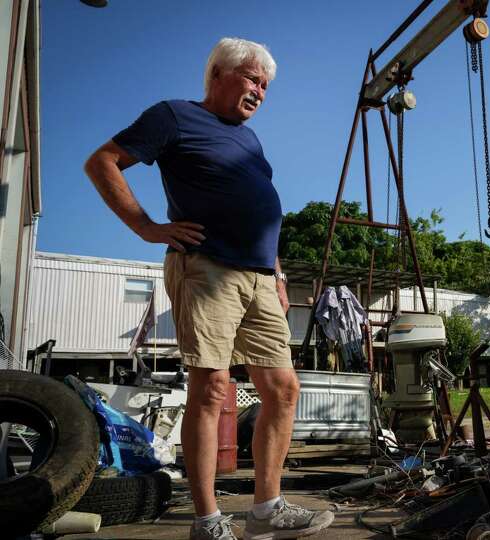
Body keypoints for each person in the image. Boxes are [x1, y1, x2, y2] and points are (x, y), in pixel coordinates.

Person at [84, 37, 334, 540]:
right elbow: (102, 162)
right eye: (252, 79)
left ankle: (266, 509)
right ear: (218, 73)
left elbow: (261, 208)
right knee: (212, 390)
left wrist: (278, 274)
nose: (260, 92)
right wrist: (148, 228)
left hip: (260, 279)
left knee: (283, 390)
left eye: (265, 85)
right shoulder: (173, 116)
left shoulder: (250, 141)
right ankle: (208, 520)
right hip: (208, 268)